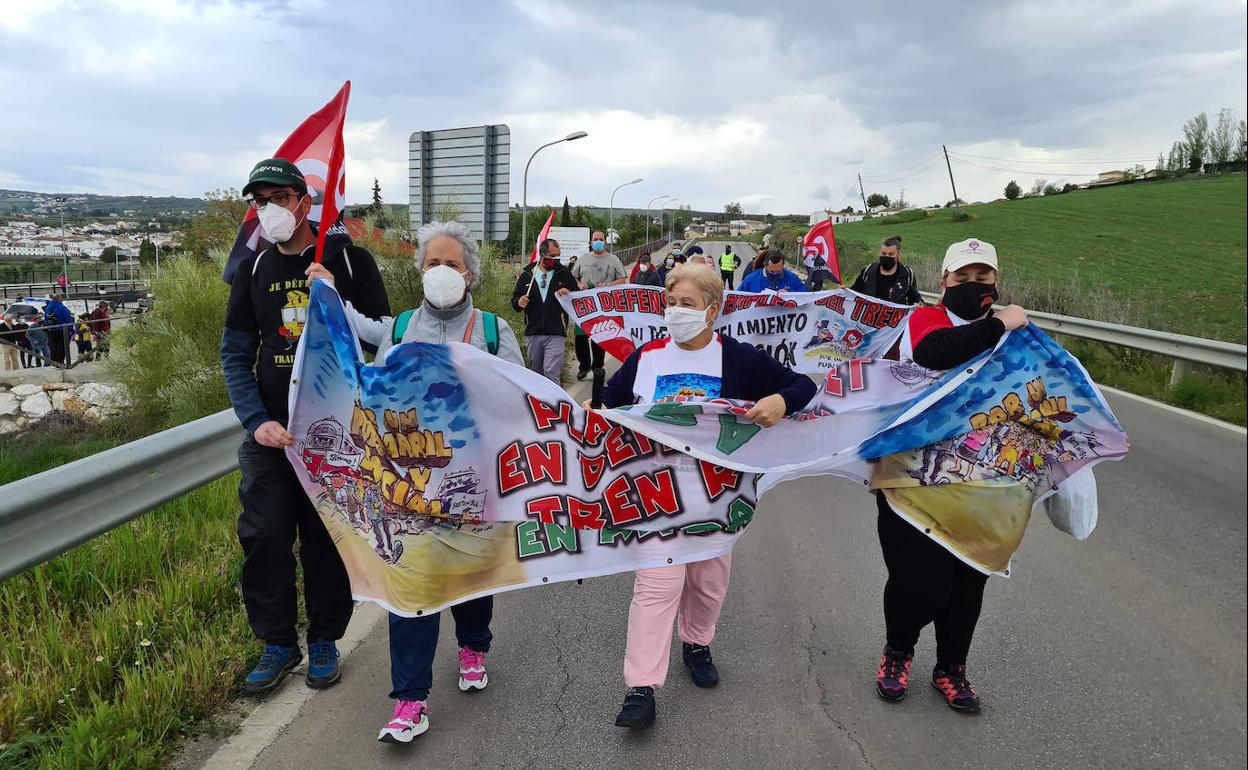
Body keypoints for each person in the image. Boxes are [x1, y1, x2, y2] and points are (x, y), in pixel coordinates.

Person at [307, 220, 523, 745]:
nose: (442, 272)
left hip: (476, 487)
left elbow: (528, 398)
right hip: (410, 488)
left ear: (470, 274)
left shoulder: (495, 332)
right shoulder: (400, 328)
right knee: (413, 590)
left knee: (472, 578)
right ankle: (410, 701)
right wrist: (326, 292)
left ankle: (473, 645)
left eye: (452, 264)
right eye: (432, 263)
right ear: (419, 271)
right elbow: (372, 390)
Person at [588, 265, 817, 729]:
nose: (675, 311)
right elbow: (608, 403)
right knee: (656, 588)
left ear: (713, 310)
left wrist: (780, 402)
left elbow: (803, 386)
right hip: (655, 498)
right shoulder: (646, 356)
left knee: (707, 584)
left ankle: (696, 643)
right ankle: (641, 687)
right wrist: (592, 414)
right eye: (671, 302)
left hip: (716, 498)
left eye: (687, 304)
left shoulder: (736, 358)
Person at [221, 158, 391, 695]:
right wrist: (256, 421)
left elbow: (382, 340)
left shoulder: (348, 259)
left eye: (275, 198)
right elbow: (234, 353)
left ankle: (324, 639)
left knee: (325, 539)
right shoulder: (252, 269)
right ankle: (276, 644)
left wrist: (336, 296)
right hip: (272, 435)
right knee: (265, 537)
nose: (265, 209)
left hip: (334, 433)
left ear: (303, 202)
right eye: (258, 201)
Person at [870, 238, 1029, 714]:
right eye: (963, 278)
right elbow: (935, 354)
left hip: (982, 481)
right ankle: (898, 652)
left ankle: (951, 668)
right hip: (910, 477)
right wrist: (1001, 323)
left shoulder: (1015, 335)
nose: (973, 286)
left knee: (967, 580)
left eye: (983, 279)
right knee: (919, 581)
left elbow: (1037, 393)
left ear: (995, 283)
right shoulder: (924, 321)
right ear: (944, 282)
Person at [511, 238, 578, 384]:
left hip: (556, 332)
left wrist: (569, 292)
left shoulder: (564, 273)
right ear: (542, 255)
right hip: (533, 332)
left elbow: (577, 297)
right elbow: (515, 301)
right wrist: (519, 301)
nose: (556, 259)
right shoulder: (527, 275)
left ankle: (554, 405)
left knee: (551, 372)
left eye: (558, 255)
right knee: (536, 374)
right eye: (553, 256)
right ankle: (538, 404)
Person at [570, 230, 626, 377]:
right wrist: (580, 284)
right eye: (595, 239)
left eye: (601, 239)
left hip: (604, 305)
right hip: (584, 305)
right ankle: (584, 367)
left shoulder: (613, 260)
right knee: (581, 337)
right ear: (591, 242)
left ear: (605, 242)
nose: (598, 242)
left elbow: (622, 280)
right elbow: (573, 278)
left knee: (599, 336)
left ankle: (597, 367)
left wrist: (607, 285)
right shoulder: (582, 259)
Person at [850, 235, 922, 305]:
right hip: (869, 315)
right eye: (884, 253)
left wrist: (920, 305)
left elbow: (915, 299)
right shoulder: (868, 271)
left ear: (898, 254)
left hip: (896, 316)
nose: (886, 257)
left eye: (891, 254)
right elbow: (853, 292)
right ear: (880, 252)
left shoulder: (907, 275)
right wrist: (843, 291)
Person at [738, 252, 807, 293]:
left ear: (783, 265)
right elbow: (737, 298)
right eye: (772, 271)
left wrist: (790, 294)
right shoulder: (750, 279)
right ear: (765, 264)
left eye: (778, 271)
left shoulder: (792, 278)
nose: (775, 274)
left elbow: (805, 297)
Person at [44, 293, 74, 365]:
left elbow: (45, 320)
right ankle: (60, 362)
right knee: (62, 346)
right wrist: (71, 330)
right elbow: (68, 320)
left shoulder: (48, 308)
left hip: (51, 330)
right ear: (60, 299)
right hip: (62, 330)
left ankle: (54, 361)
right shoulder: (62, 308)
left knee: (53, 346)